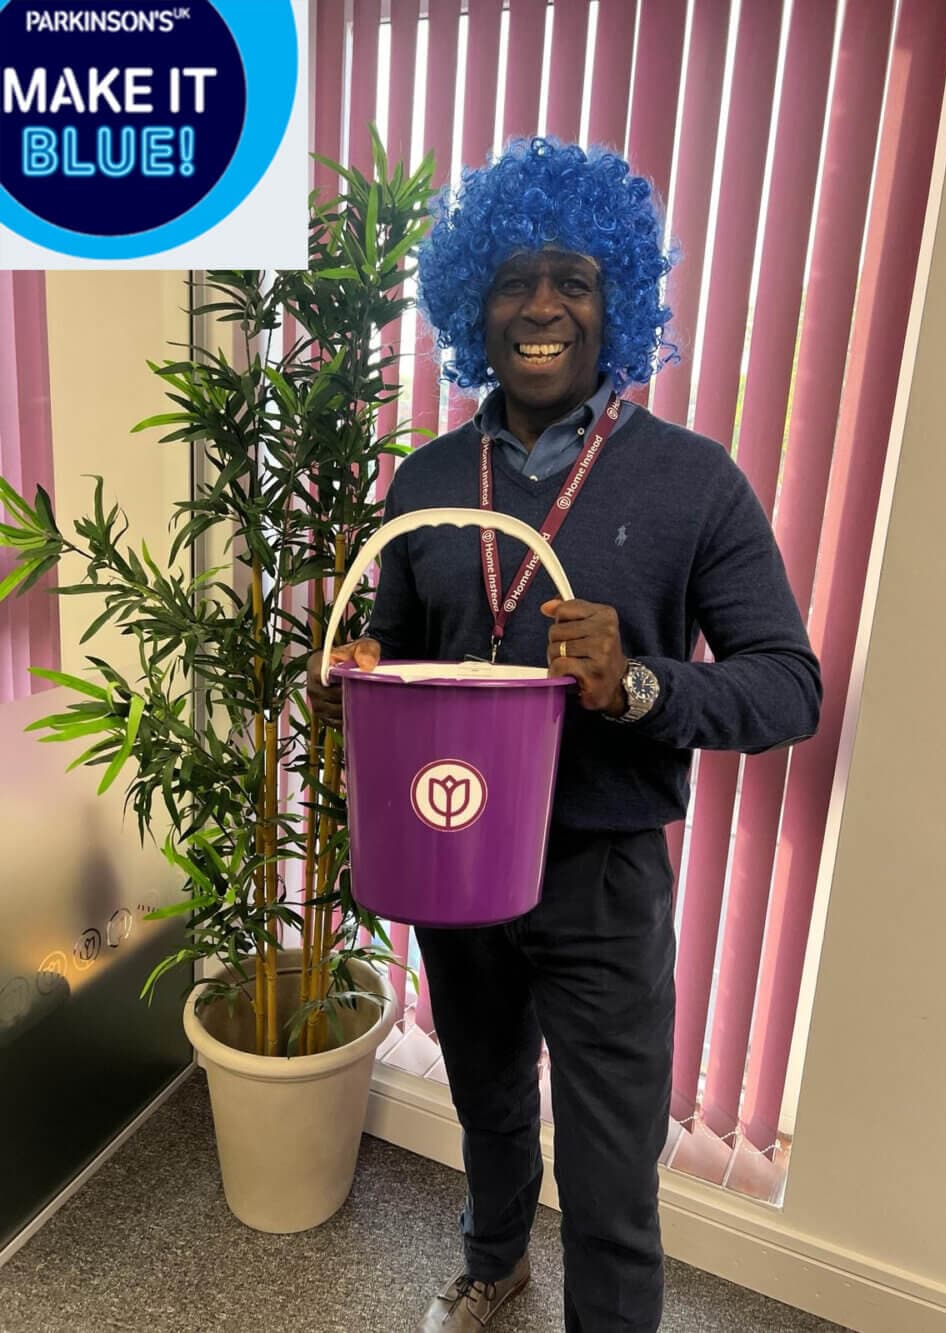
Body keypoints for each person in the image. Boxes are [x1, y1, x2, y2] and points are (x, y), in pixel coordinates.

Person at [307, 137, 821, 1333]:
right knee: (486, 1105)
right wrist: (360, 673)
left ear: (616, 304)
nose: (541, 306)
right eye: (513, 281)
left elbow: (784, 687)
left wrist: (638, 686)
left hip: (602, 875)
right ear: (472, 306)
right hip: (451, 863)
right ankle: (494, 1265)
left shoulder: (695, 483)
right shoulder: (427, 479)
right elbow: (385, 643)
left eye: (573, 281)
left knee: (608, 1165)